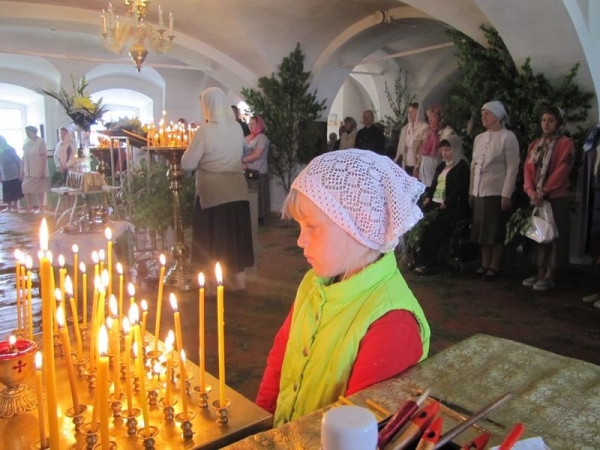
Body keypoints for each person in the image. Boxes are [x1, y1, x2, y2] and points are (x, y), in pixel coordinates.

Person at [255, 149, 430, 426]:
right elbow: (280, 359)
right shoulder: (313, 284)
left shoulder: (392, 322)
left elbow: (359, 430)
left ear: (357, 225)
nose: (300, 240)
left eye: (312, 226)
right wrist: (259, 426)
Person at [181, 87, 254, 291]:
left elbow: (188, 164)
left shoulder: (205, 130)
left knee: (211, 240)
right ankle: (239, 282)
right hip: (237, 190)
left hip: (212, 194)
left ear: (208, 105)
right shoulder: (237, 128)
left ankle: (212, 287)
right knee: (235, 238)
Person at [521, 106, 575, 291]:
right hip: (537, 197)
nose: (546, 124)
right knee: (539, 234)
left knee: (554, 235)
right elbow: (528, 169)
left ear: (558, 123)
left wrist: (545, 190)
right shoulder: (536, 144)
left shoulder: (566, 144)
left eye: (550, 120)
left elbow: (562, 169)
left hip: (555, 197)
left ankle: (550, 274)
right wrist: (530, 191)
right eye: (544, 120)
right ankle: (539, 271)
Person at [470, 101, 520, 281]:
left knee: (495, 231)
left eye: (487, 114)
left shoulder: (508, 137)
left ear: (497, 116)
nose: (483, 117)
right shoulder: (479, 138)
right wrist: (472, 191)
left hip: (496, 191)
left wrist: (506, 193)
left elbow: (513, 166)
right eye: (482, 114)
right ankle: (484, 264)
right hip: (480, 192)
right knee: (482, 231)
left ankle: (494, 266)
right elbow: (474, 166)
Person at [414, 135, 471, 274]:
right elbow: (434, 186)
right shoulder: (441, 166)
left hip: (450, 208)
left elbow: (460, 189)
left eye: (448, 150)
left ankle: (430, 262)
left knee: (434, 228)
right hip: (435, 205)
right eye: (443, 150)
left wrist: (447, 202)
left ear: (455, 149)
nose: (444, 153)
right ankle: (419, 260)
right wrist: (428, 197)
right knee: (420, 225)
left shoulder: (461, 166)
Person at [242, 115, 271, 222]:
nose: (251, 126)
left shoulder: (262, 138)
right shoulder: (247, 138)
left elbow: (258, 154)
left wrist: (243, 161)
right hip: (246, 170)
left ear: (259, 125)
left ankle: (260, 217)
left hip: (258, 171)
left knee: (259, 196)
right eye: (249, 124)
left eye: (253, 124)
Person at [20, 125, 50, 213]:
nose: (27, 134)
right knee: (25, 187)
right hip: (28, 171)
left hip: (38, 169)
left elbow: (44, 156)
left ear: (33, 132)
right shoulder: (26, 142)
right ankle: (30, 207)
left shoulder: (41, 141)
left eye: (28, 132)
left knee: (40, 189)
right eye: (26, 132)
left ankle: (41, 208)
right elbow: (24, 157)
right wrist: (21, 171)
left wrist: (42, 171)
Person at [394, 102, 429, 175]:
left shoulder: (424, 127)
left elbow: (424, 148)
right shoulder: (405, 128)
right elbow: (400, 148)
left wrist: (417, 166)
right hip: (405, 163)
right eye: (409, 112)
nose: (410, 114)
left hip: (417, 164)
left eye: (413, 112)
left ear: (419, 113)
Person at [416, 105, 445, 188]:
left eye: (432, 116)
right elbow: (422, 153)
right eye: (428, 117)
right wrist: (417, 166)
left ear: (439, 117)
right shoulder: (429, 133)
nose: (430, 120)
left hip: (435, 180)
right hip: (424, 179)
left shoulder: (445, 133)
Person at [0, 136, 24, 212]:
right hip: (4, 174)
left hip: (14, 174)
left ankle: (16, 206)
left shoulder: (10, 149)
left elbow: (18, 160)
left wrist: (21, 172)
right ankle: (9, 207)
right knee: (7, 191)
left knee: (15, 190)